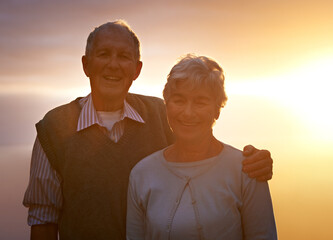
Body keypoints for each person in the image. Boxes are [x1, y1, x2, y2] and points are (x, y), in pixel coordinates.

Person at [23, 20, 274, 240]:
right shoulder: (54, 129)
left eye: (123, 56)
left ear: (137, 69)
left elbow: (201, 147)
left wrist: (252, 162)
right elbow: (43, 220)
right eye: (103, 54)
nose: (113, 64)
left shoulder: (159, 113)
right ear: (86, 65)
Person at [126, 54, 277, 240]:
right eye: (179, 100)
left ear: (217, 110)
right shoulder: (142, 174)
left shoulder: (246, 171)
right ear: (166, 105)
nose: (188, 113)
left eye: (200, 102)